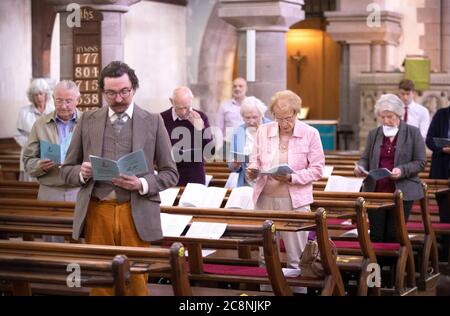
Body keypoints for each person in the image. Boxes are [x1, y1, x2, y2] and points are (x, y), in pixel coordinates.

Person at [60, 61, 179, 296]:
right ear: (103, 92)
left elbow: (170, 173)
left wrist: (142, 184)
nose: (119, 98)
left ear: (134, 88)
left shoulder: (153, 121)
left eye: (124, 91)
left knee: (136, 281)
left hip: (135, 211)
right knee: (101, 281)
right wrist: (82, 174)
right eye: (111, 93)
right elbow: (67, 169)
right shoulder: (87, 120)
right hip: (98, 209)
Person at [246, 90, 324, 271]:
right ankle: (265, 295)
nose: (284, 124)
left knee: (296, 258)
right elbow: (255, 159)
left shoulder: (310, 133)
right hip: (265, 199)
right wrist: (252, 170)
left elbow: (317, 169)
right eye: (278, 118)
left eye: (288, 118)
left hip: (294, 202)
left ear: (297, 113)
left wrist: (292, 177)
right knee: (266, 256)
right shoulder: (263, 131)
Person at [354, 93, 426, 242]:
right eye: (383, 117)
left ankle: (394, 266)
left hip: (401, 191)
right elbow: (365, 158)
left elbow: (420, 162)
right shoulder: (375, 133)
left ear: (399, 114)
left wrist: (402, 171)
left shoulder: (412, 133)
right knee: (376, 234)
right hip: (376, 191)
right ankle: (377, 266)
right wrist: (360, 167)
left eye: (390, 116)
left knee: (394, 234)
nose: (386, 121)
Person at [23, 80, 82, 242]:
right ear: (53, 99)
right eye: (59, 100)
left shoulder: (87, 122)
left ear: (78, 100)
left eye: (68, 101)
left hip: (79, 190)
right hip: (50, 190)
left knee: (80, 240)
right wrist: (39, 166)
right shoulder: (40, 124)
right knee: (52, 240)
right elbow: (28, 160)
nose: (63, 106)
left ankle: (79, 268)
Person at [160, 87, 215, 186]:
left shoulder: (201, 116)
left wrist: (201, 129)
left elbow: (210, 151)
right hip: (170, 174)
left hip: (195, 174)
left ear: (191, 101)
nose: (184, 112)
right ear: (171, 102)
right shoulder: (162, 118)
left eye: (187, 107)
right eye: (180, 108)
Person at [15, 78, 55, 181]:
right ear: (31, 96)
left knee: (48, 181)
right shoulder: (24, 112)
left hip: (49, 151)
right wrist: (31, 145)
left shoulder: (53, 110)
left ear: (46, 94)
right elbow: (18, 135)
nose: (39, 97)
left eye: (41, 93)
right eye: (35, 94)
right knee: (30, 183)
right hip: (30, 152)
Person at [228, 96, 271, 187]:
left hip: (269, 185)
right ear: (242, 117)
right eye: (247, 118)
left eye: (255, 117)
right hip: (247, 184)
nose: (251, 121)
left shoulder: (272, 128)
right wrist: (235, 163)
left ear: (261, 114)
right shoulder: (238, 132)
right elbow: (231, 166)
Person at [425, 106, 450, 260]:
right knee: (445, 216)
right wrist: (442, 148)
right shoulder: (441, 114)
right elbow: (429, 139)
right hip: (441, 171)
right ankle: (446, 257)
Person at [216, 78, 248, 158]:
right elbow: (219, 128)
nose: (237, 88)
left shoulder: (252, 105)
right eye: (235, 86)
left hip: (247, 145)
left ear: (246, 88)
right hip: (228, 145)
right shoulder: (224, 106)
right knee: (222, 168)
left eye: (240, 86)